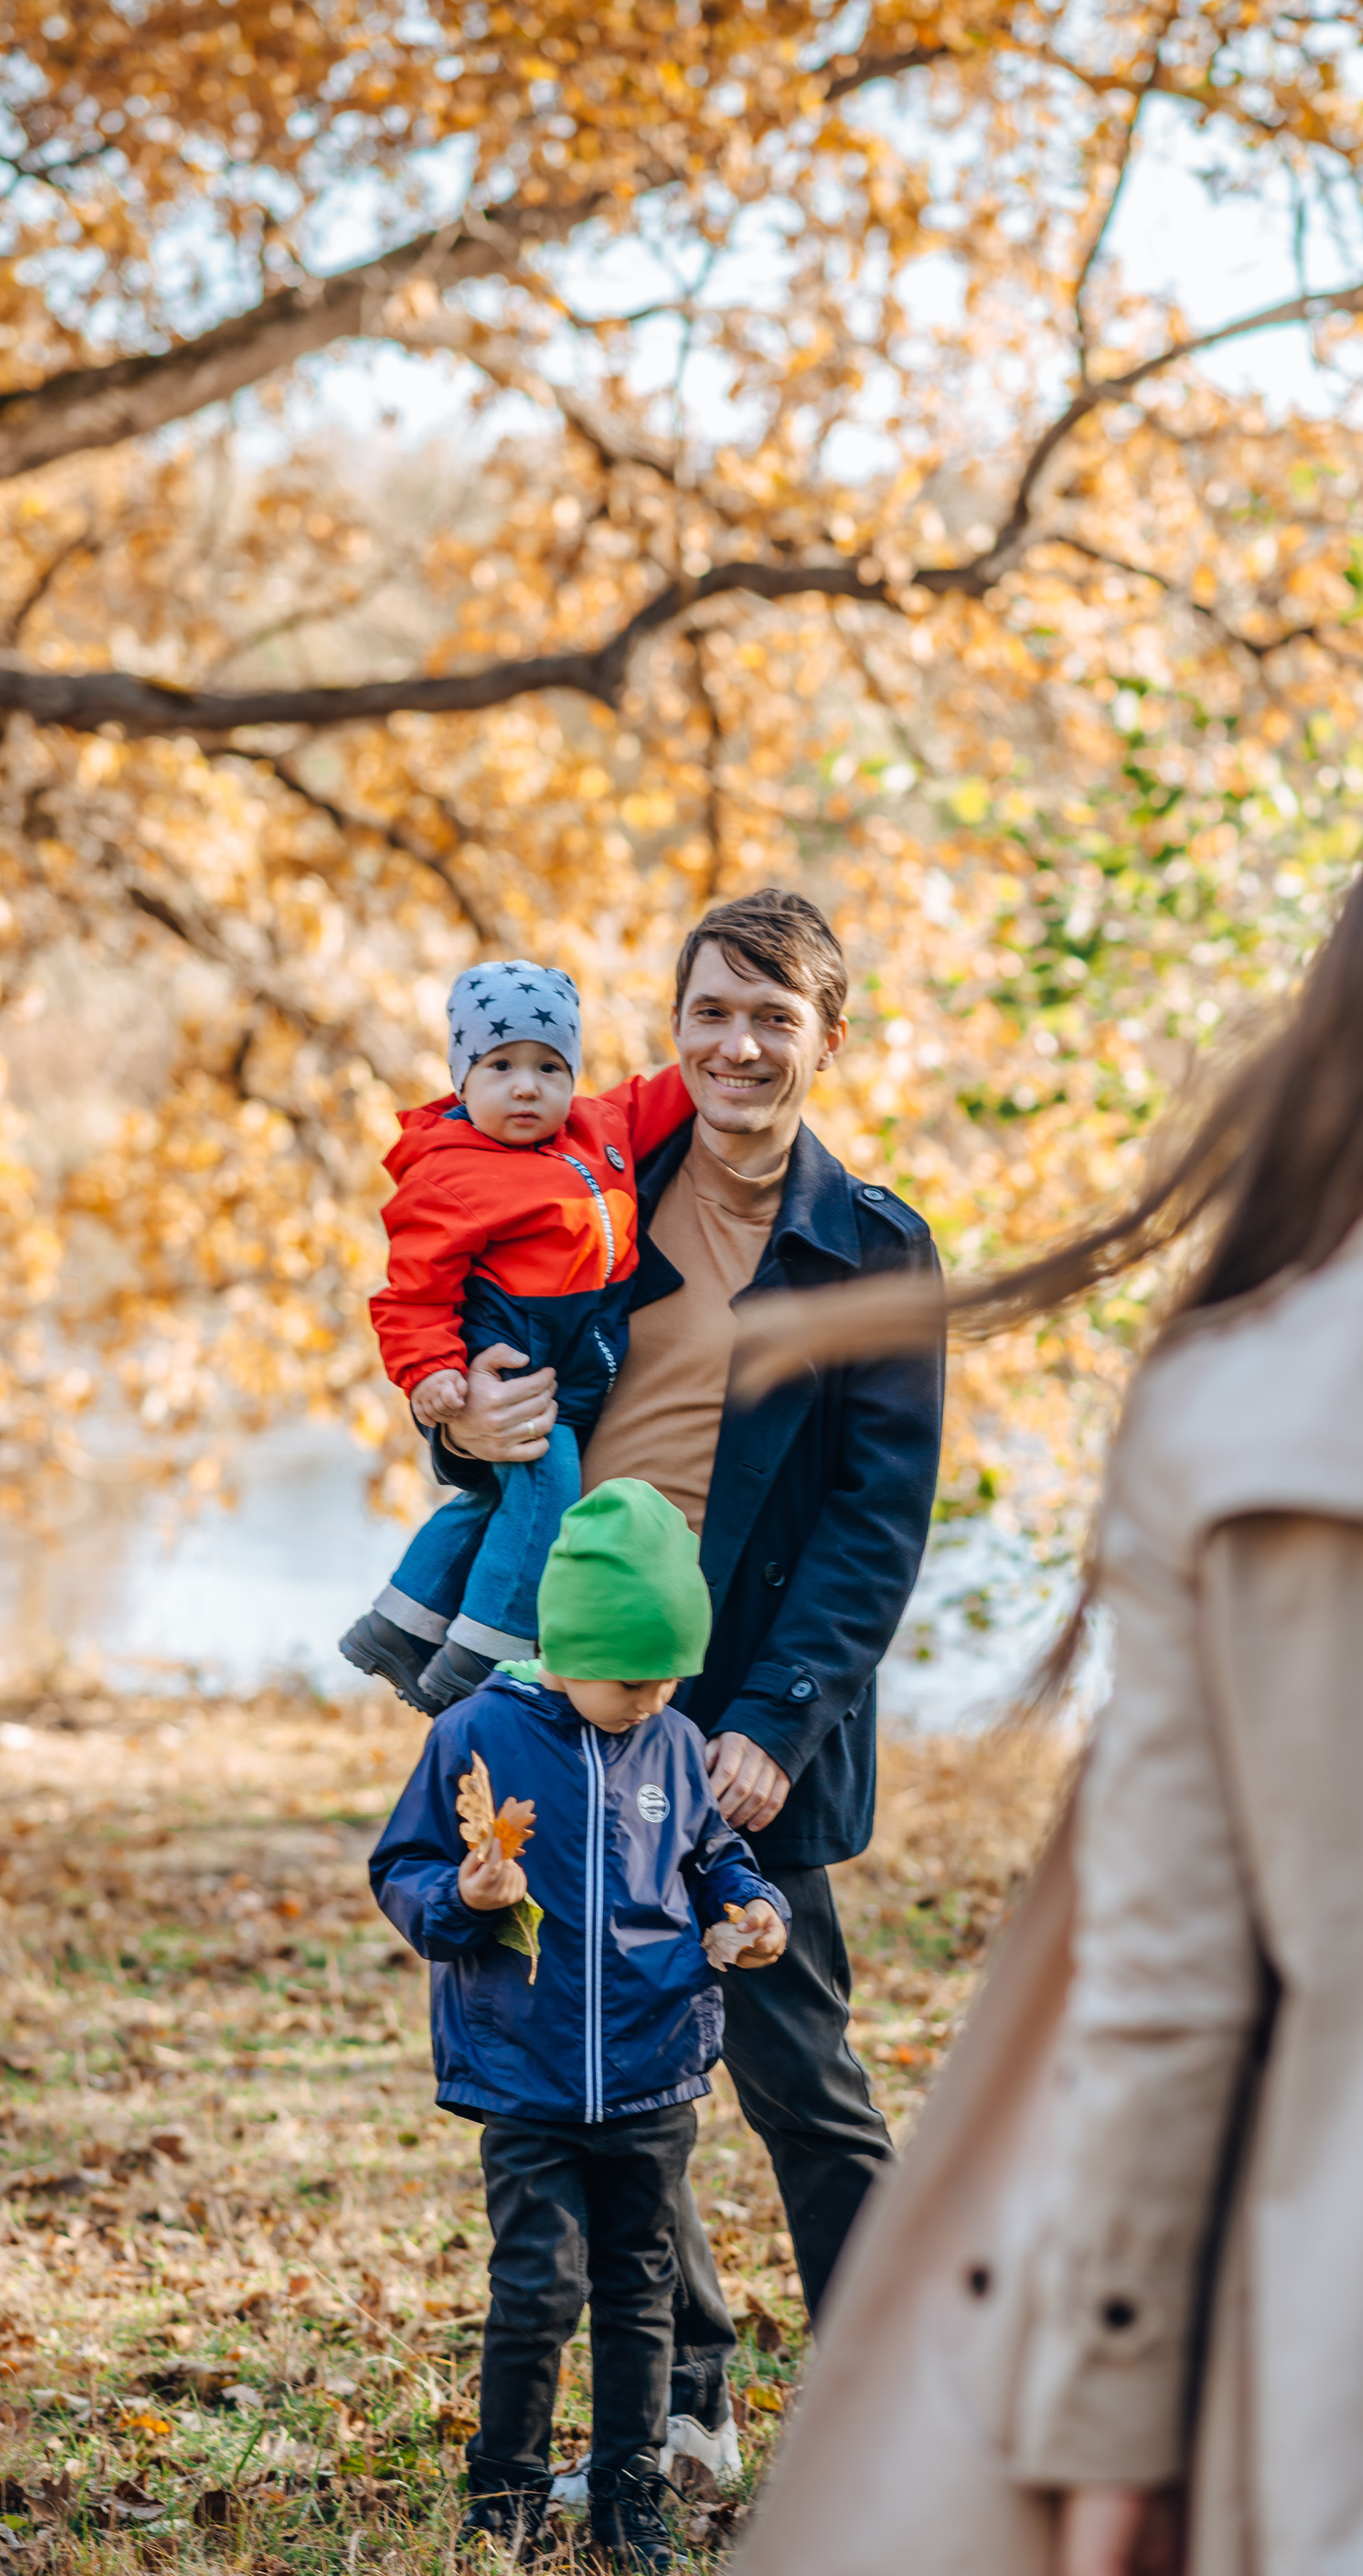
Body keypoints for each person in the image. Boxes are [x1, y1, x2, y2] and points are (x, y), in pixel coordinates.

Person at [715, 793, 1363, 2576]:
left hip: (1346, 2285)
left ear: (1346, 1037)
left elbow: (1162, 1995)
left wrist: (1106, 2417)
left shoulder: (1227, 1405)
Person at [357, 889, 944, 2467]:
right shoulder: (593, 1181)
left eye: (772, 1016)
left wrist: (760, 1730)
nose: (739, 1045)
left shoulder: (872, 1248)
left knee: (798, 2079)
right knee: (602, 2064)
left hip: (749, 1715)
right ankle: (684, 2398)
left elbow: (874, 1528)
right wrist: (455, 1415)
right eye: (710, 1014)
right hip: (565, 1690)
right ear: (673, 1032)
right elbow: (478, 1360)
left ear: (829, 1035)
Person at [368, 1477, 789, 2571]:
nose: (651, 1696)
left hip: (653, 2068)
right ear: (563, 1645)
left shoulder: (673, 1741)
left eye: (667, 1676)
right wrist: (465, 1899)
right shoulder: (476, 1731)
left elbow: (716, 1860)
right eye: (630, 1675)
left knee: (638, 2288)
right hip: (527, 2070)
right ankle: (501, 2494)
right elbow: (403, 1867)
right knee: (536, 2286)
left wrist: (753, 1912)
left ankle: (627, 2496)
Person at [343, 957, 692, 1713]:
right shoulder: (449, 1173)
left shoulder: (601, 1128)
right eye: (500, 1065)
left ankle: (399, 1627)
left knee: (490, 1508)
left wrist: (709, 1061)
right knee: (547, 1504)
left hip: (578, 1352)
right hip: (524, 1368)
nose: (527, 1086)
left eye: (548, 1066)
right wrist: (431, 1372)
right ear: (463, 1078)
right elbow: (411, 1293)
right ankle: (483, 1653)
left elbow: (672, 1089)